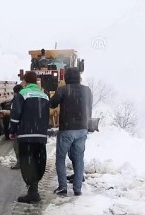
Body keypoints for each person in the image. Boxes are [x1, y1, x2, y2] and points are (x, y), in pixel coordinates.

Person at [50, 67, 93, 196]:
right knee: (79, 158)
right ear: (79, 77)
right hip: (82, 129)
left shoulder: (63, 89)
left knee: (61, 158)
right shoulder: (87, 90)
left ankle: (63, 188)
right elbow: (89, 107)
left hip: (67, 129)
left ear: (66, 78)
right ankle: (77, 188)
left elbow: (52, 104)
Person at [10, 71, 50, 203]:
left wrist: (12, 130)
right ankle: (34, 191)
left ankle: (32, 193)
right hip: (40, 136)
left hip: (26, 135)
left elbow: (15, 114)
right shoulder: (44, 95)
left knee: (27, 163)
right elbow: (46, 116)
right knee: (38, 162)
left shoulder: (22, 94)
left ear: (25, 82)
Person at [7, 84, 23, 170]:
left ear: (16, 93)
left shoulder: (16, 101)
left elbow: (14, 116)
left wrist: (12, 130)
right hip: (25, 127)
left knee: (17, 146)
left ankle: (20, 163)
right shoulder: (25, 98)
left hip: (18, 128)